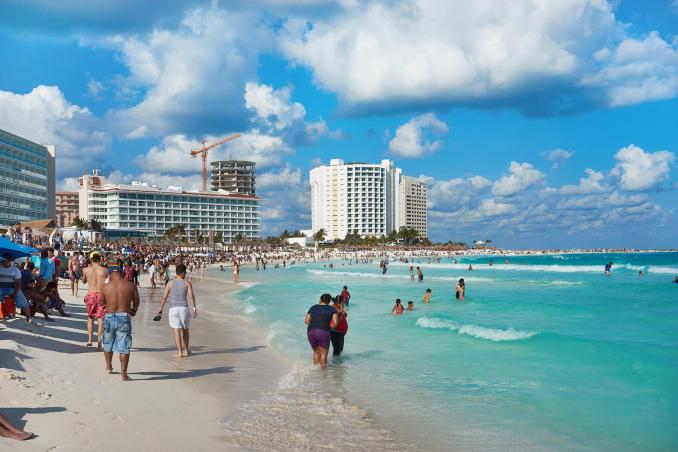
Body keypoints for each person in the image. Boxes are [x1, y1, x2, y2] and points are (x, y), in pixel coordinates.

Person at [100, 261, 140, 381]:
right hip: (124, 317)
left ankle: (109, 367)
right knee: (124, 347)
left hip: (109, 316)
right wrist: (134, 310)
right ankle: (123, 374)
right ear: (122, 274)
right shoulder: (130, 285)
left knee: (108, 344)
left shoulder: (105, 287)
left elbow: (102, 303)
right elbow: (137, 302)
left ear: (110, 274)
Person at [156, 264, 198, 357]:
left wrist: (160, 309)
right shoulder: (187, 283)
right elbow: (191, 297)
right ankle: (186, 351)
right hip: (183, 309)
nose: (185, 274)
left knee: (176, 331)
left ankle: (179, 352)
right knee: (185, 330)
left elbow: (164, 297)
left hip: (173, 309)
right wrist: (194, 308)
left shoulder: (170, 283)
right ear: (183, 273)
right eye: (185, 272)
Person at [82, 251, 108, 350]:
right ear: (99, 259)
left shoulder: (86, 270)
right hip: (101, 295)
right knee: (100, 320)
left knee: (90, 318)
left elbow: (84, 281)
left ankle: (89, 341)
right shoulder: (105, 270)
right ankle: (99, 344)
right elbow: (106, 281)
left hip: (91, 295)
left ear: (91, 259)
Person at [304, 293, 338, 369]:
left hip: (311, 331)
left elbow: (306, 321)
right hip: (323, 331)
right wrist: (327, 328)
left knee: (316, 352)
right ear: (329, 301)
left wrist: (315, 325)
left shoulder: (313, 307)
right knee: (323, 354)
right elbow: (335, 323)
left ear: (320, 299)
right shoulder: (332, 309)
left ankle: (315, 370)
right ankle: (323, 375)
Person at [0, 253, 32, 323]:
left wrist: (14, 294)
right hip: (0, 288)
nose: (2, 261)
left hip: (12, 288)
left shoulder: (15, 270)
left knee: (23, 301)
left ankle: (29, 317)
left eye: (4, 260)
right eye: (2, 259)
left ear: (10, 261)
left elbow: (18, 284)